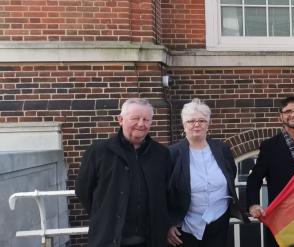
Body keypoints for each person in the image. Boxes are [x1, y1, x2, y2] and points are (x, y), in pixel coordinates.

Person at [75, 98, 172, 247]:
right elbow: (83, 191)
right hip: (108, 239)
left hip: (151, 240)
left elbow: (168, 193)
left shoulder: (162, 154)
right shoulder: (98, 152)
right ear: (120, 120)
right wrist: (104, 213)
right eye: (135, 118)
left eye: (146, 119)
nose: (141, 124)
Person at [166, 99, 246, 246]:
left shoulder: (222, 149)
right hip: (184, 226)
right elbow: (164, 191)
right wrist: (168, 224)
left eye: (202, 120)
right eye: (191, 121)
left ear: (208, 124)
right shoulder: (173, 153)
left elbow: (230, 174)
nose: (197, 124)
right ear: (184, 124)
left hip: (218, 222)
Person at [245, 96, 294, 247]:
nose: (293, 115)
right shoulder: (269, 147)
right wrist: (253, 204)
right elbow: (254, 179)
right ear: (281, 116)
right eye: (288, 111)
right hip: (281, 220)